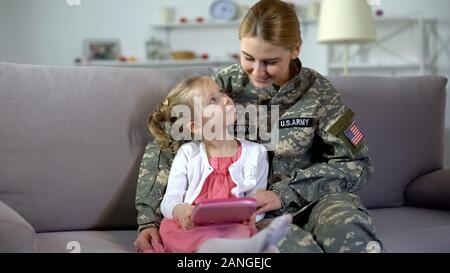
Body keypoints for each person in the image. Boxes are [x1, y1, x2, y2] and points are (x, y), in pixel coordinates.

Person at [135, 0, 384, 253]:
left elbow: (356, 164)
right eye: (248, 57)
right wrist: (148, 221)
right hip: (252, 218)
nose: (257, 71)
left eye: (270, 61)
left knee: (352, 236)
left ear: (296, 49)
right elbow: (167, 145)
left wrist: (286, 193)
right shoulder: (222, 88)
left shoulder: (320, 93)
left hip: (317, 200)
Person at [142, 75, 292, 253]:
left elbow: (256, 201)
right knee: (190, 235)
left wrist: (255, 216)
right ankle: (242, 249)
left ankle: (250, 247)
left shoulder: (256, 152)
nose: (226, 100)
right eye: (213, 100)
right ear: (195, 126)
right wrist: (180, 210)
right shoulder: (188, 154)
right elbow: (169, 200)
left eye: (221, 92)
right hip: (191, 226)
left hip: (232, 225)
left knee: (239, 233)